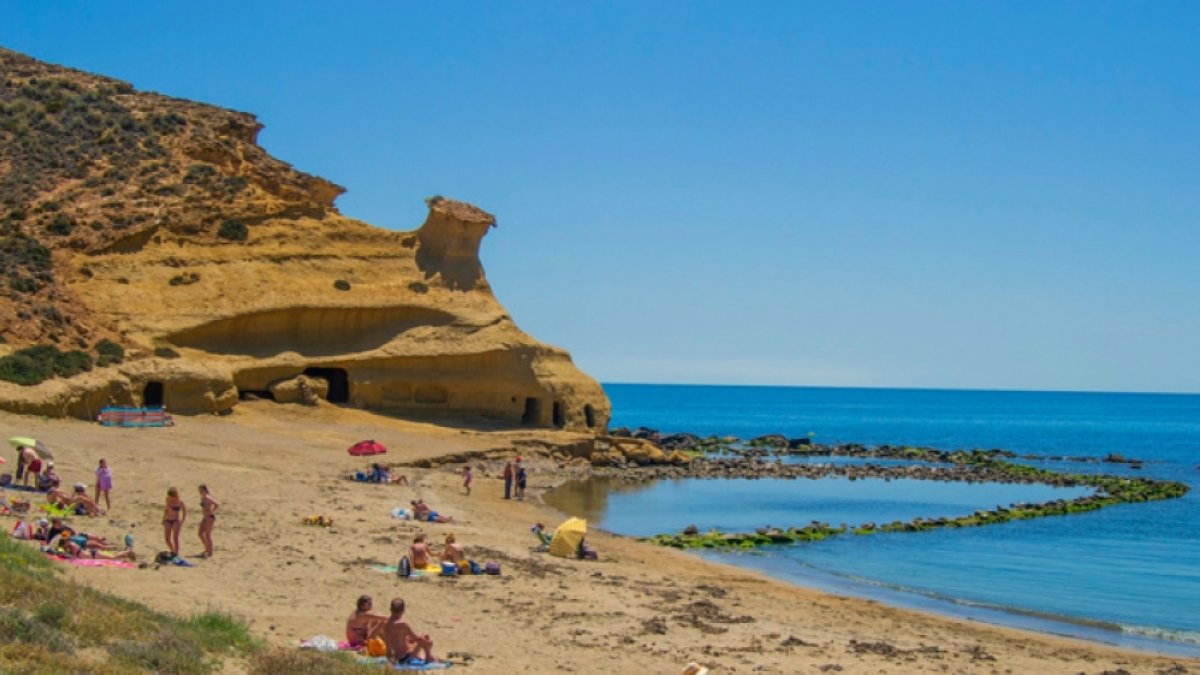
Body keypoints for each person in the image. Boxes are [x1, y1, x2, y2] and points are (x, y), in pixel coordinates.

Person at [381, 597, 437, 664]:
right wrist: (428, 643)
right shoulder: (402, 624)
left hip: (392, 658)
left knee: (419, 640)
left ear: (390, 609)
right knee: (424, 639)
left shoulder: (385, 624)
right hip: (404, 658)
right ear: (403, 610)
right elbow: (416, 638)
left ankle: (428, 656)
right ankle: (429, 657)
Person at [162, 486, 185, 557]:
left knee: (175, 538)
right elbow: (166, 510)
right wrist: (163, 518)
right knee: (167, 538)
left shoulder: (180, 502)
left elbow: (185, 510)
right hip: (168, 520)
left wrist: (182, 520)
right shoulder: (167, 500)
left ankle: (176, 553)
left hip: (176, 520)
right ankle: (172, 550)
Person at [197, 484, 219, 558]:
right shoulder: (203, 498)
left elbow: (217, 504)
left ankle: (210, 551)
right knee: (200, 533)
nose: (199, 492)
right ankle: (207, 548)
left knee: (207, 535)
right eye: (199, 490)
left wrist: (212, 511)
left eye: (201, 490)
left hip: (209, 517)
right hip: (205, 517)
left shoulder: (207, 497)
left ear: (204, 490)